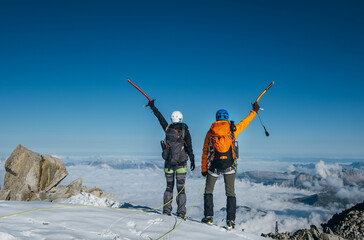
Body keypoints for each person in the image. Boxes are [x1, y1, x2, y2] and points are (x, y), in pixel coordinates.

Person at [201, 102, 260, 229]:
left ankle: (208, 217)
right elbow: (245, 122)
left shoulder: (210, 132)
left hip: (214, 166)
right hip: (229, 166)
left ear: (217, 118)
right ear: (226, 118)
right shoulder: (233, 129)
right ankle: (230, 222)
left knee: (208, 191)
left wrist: (204, 169)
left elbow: (205, 151)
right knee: (230, 193)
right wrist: (254, 111)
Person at [146, 100, 195, 218]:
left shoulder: (168, 129)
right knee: (181, 189)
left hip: (168, 163)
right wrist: (192, 159)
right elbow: (189, 146)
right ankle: (181, 213)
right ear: (181, 119)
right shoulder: (184, 130)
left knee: (169, 187)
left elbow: (160, 118)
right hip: (181, 164)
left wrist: (153, 107)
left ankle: (166, 211)